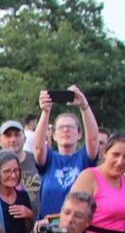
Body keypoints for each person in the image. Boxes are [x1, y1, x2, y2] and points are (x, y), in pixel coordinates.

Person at [34, 86, 99, 218]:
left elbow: (93, 139)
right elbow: (38, 147)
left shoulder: (83, 159)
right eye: (61, 127)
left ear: (79, 133)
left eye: (70, 127)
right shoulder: (49, 159)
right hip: (48, 226)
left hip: (76, 227)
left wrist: (84, 106)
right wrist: (45, 112)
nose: (65, 130)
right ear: (54, 135)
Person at [0, 119, 42, 215]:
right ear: (0, 141)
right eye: (8, 135)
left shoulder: (38, 161)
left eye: (17, 135)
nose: (13, 139)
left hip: (38, 224)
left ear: (25, 139)